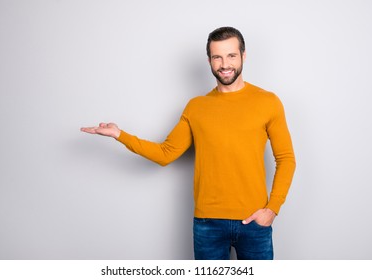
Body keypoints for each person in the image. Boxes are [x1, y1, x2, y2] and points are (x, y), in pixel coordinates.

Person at [81, 27, 296, 260]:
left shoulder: (268, 102)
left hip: (255, 223)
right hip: (208, 225)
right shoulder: (196, 107)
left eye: (231, 55)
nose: (225, 64)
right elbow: (165, 153)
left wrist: (272, 209)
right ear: (209, 61)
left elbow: (286, 159)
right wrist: (120, 134)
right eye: (217, 57)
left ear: (243, 56)